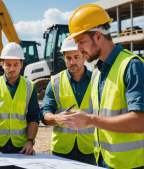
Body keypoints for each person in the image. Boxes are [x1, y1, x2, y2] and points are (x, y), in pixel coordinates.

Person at [62, 4, 144, 169]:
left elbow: (140, 121)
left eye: (81, 42)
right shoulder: (98, 72)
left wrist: (90, 120)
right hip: (103, 160)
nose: (78, 48)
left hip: (130, 165)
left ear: (98, 37)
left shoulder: (131, 65)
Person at [41, 37, 95, 165]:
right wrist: (57, 118)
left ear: (85, 56)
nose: (72, 62)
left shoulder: (97, 80)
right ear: (63, 58)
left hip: (91, 148)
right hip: (62, 149)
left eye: (76, 57)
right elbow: (45, 113)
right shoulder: (55, 82)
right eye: (68, 58)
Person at [0, 42, 40, 156]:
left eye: (15, 64)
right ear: (2, 64)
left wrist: (30, 141)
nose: (12, 68)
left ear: (21, 64)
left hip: (21, 147)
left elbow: (33, 117)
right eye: (8, 64)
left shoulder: (30, 87)